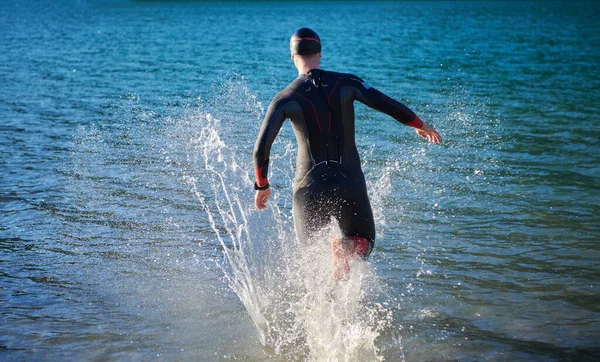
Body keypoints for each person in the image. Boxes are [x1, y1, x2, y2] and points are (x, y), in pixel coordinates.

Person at [253, 28, 441, 281]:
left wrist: (262, 185)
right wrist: (419, 124)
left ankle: (319, 315)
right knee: (364, 243)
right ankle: (347, 249)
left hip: (309, 188)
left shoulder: (284, 98)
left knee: (311, 261)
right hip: (348, 182)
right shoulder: (347, 83)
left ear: (292, 57)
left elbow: (261, 148)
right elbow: (386, 104)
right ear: (320, 53)